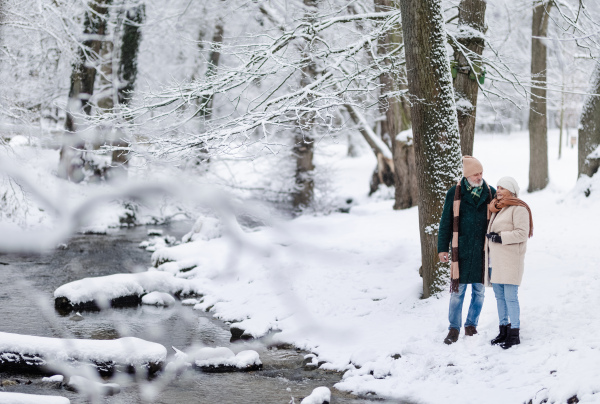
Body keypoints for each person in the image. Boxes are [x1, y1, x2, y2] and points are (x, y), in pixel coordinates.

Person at [438, 156, 496, 345]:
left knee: (479, 291)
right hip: (460, 251)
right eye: (475, 174)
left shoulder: (490, 192)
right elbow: (445, 223)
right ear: (467, 175)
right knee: (458, 293)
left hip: (482, 252)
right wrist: (442, 249)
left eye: (481, 173)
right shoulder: (454, 194)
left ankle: (471, 325)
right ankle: (454, 328)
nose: (479, 177)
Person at [484, 177, 533, 349]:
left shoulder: (519, 209)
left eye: (502, 187)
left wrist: (499, 237)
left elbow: (521, 233)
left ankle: (514, 333)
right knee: (499, 298)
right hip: (496, 261)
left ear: (511, 190)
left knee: (510, 298)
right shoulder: (498, 208)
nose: (498, 190)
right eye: (497, 187)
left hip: (511, 260)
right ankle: (503, 330)